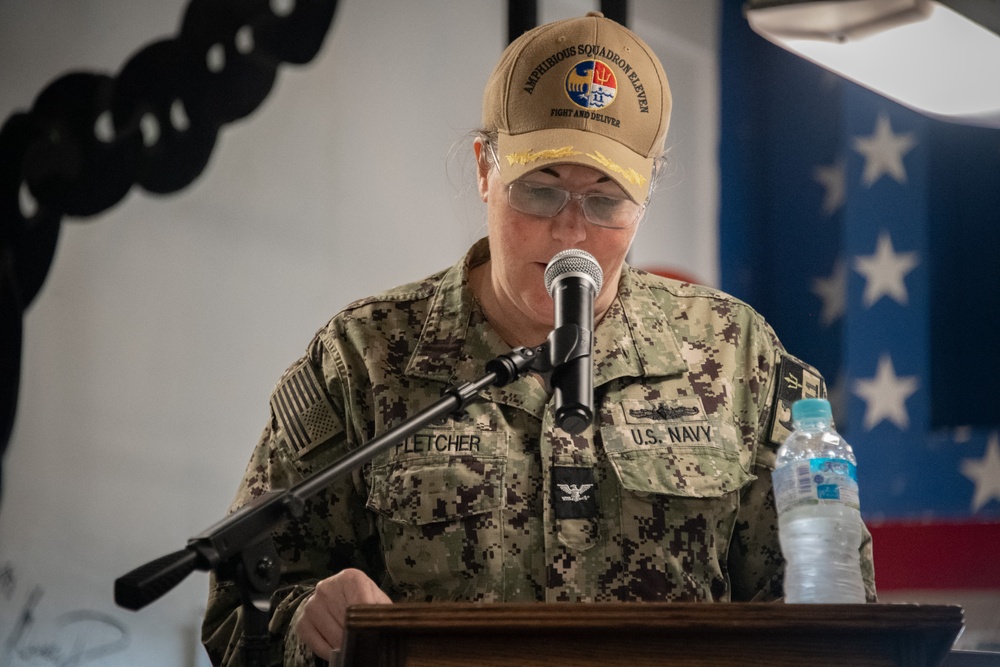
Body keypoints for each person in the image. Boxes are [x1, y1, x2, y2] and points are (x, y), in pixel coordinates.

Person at [202, 12, 876, 667]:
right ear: (484, 170)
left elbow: (827, 612)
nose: (571, 231)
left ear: (647, 197)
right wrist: (305, 623)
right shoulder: (365, 357)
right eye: (540, 190)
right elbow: (238, 616)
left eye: (607, 200)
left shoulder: (735, 354)